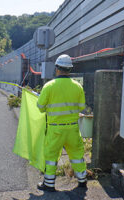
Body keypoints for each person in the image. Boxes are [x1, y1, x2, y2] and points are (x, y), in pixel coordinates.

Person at [37, 54, 87, 192]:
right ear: (69, 70)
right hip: (72, 128)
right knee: (77, 155)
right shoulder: (78, 86)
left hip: (55, 129)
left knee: (51, 157)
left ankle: (49, 184)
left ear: (57, 68)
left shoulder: (49, 86)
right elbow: (82, 107)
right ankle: (82, 181)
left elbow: (40, 108)